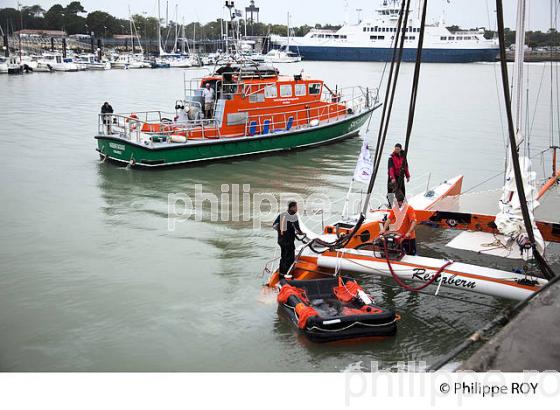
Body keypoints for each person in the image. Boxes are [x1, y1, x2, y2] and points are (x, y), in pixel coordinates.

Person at [273, 201, 304, 279]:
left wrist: (281, 231)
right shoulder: (293, 216)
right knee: (290, 258)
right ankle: (287, 274)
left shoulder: (281, 215)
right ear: (292, 207)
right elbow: (298, 230)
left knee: (283, 256)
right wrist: (302, 234)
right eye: (296, 207)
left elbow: (274, 225)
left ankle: (281, 273)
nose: (297, 209)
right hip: (288, 241)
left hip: (280, 240)